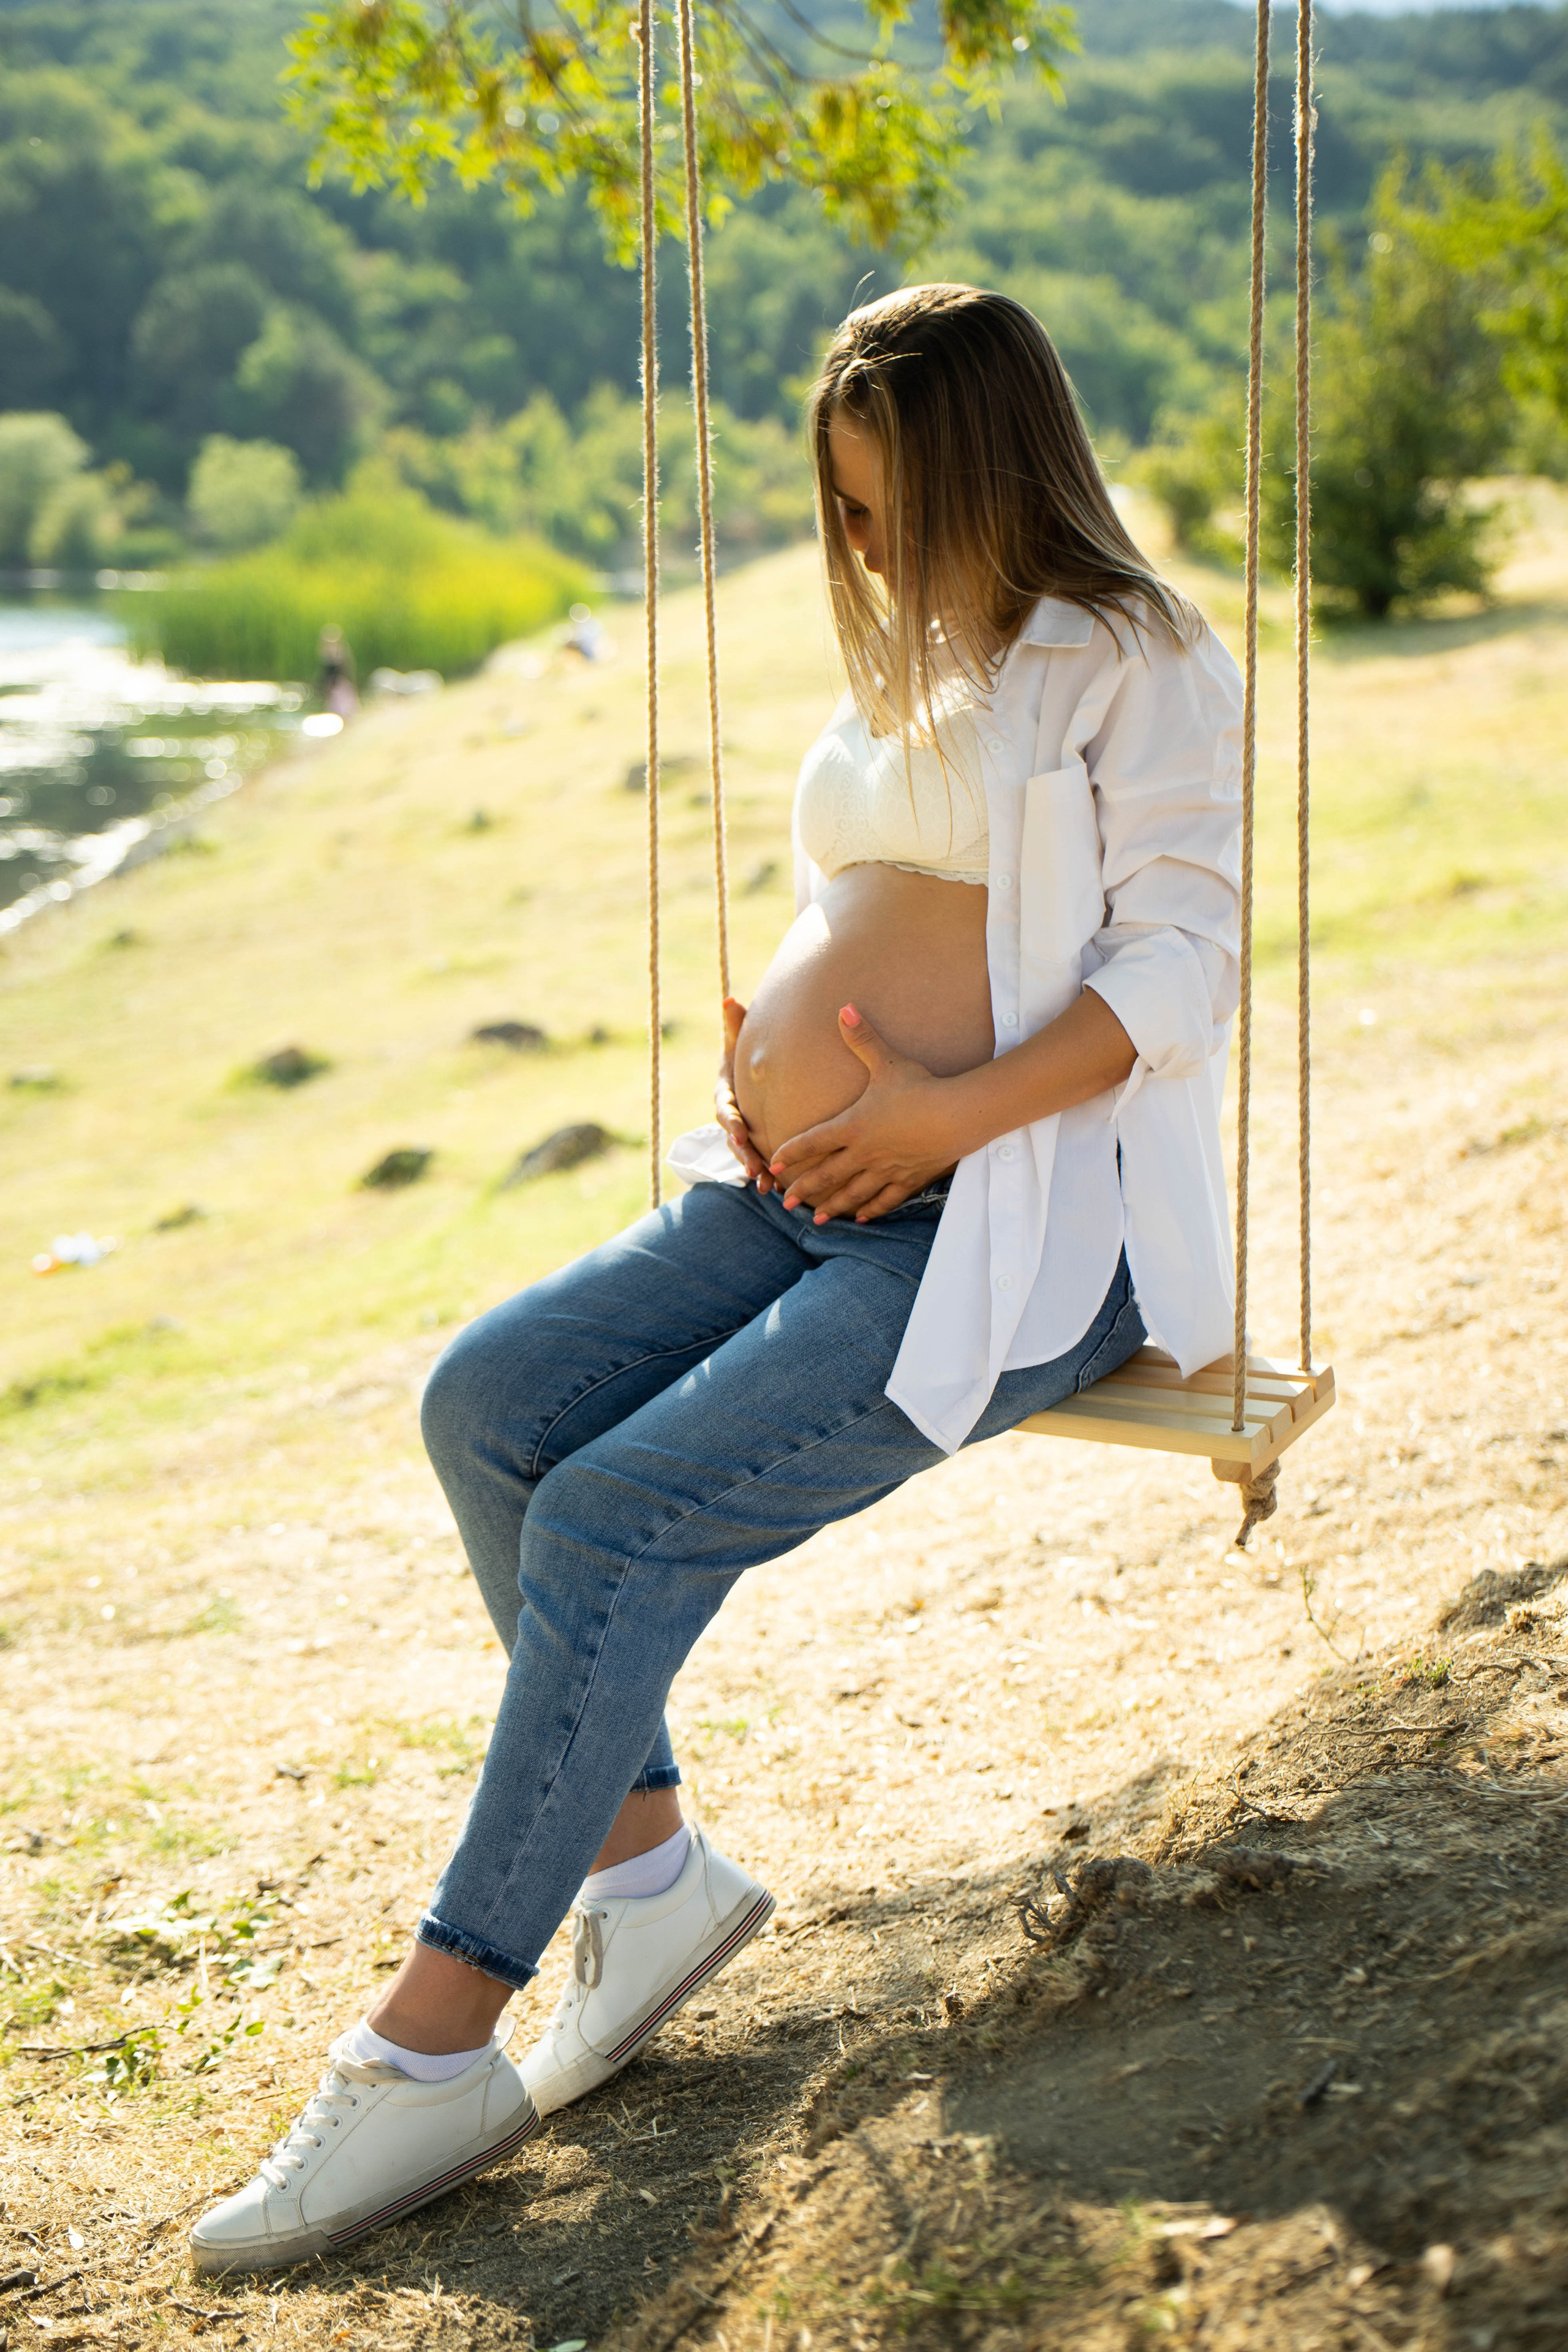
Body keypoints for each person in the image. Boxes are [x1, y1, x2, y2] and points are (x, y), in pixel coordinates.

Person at [191, 284, 1243, 2276]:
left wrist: (935, 1117)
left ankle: (431, 2042)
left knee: (610, 1513)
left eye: (892, 504)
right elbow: (895, 894)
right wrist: (787, 1046)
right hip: (794, 1188)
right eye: (842, 510)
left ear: (996, 464)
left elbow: (1173, 972)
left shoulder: (1141, 656)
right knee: (487, 1410)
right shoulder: (913, 656)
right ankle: (651, 1876)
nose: (866, 548)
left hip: (1013, 1229)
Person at [315, 623, 359, 720]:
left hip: (339, 685)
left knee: (342, 707)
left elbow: (346, 670)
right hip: (333, 685)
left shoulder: (340, 653)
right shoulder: (327, 653)